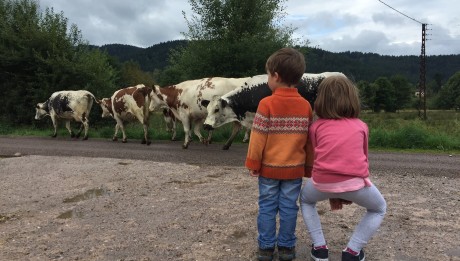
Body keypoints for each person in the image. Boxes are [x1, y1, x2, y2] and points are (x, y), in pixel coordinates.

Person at [300, 75, 387, 261]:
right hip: (356, 183)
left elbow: (321, 158)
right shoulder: (361, 126)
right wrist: (346, 190)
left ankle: (320, 248)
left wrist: (334, 192)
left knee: (306, 201)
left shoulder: (315, 127)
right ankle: (353, 251)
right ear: (352, 99)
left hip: (321, 182)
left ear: (321, 100)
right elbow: (363, 159)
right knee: (379, 208)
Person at [245, 47, 313, 261]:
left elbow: (257, 137)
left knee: (267, 206)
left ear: (275, 76)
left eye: (268, 74)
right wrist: (308, 167)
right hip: (293, 170)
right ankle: (286, 248)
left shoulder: (266, 104)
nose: (267, 79)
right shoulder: (305, 106)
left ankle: (265, 249)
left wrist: (253, 163)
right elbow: (309, 142)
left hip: (269, 169)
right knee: (289, 207)